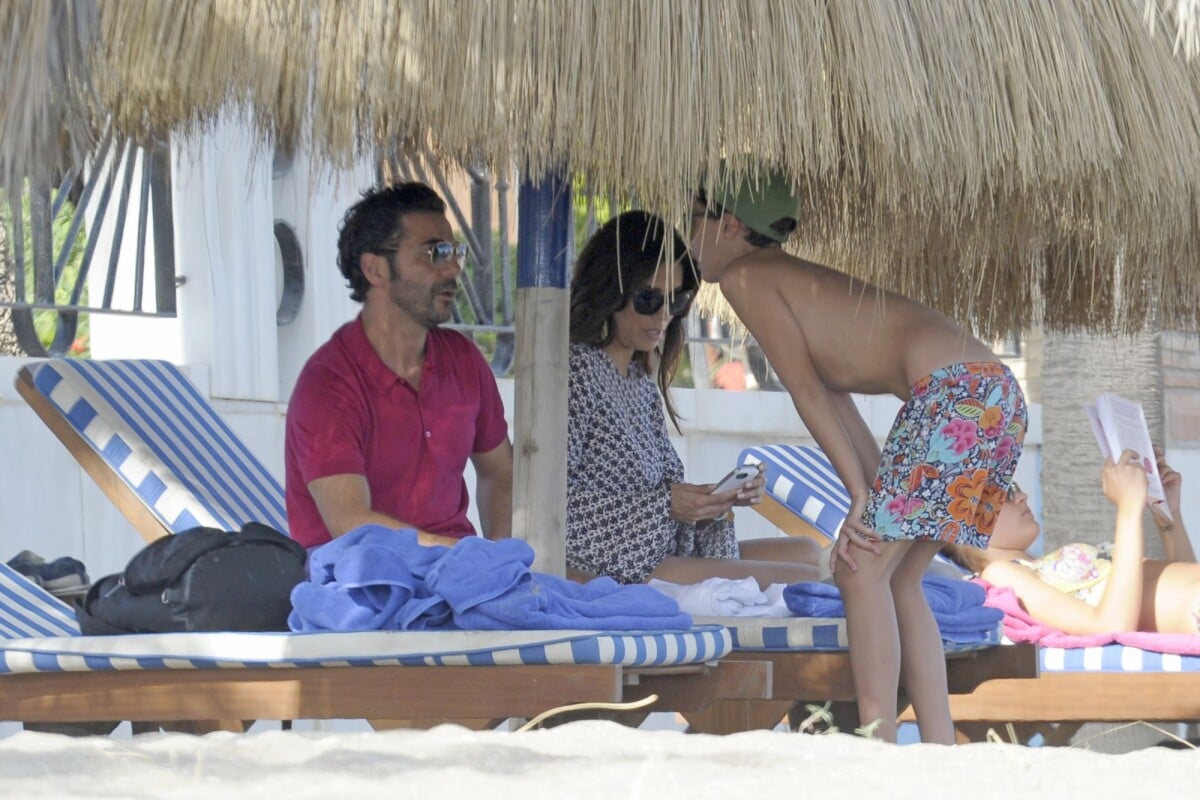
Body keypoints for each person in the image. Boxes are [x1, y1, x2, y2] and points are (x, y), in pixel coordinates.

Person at [688, 169, 1027, 744]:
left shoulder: (746, 277)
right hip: (994, 395)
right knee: (898, 578)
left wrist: (865, 498)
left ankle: (878, 744)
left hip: (956, 398)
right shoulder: (790, 279)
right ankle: (938, 744)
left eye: (692, 220)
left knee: (856, 567)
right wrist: (866, 488)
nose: (686, 236)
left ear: (726, 224)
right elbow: (834, 394)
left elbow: (806, 391)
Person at [566, 210, 822, 589]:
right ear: (610, 291)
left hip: (658, 551)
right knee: (810, 579)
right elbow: (552, 506)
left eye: (678, 299)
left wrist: (712, 502)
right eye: (649, 298)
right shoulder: (574, 371)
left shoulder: (637, 381)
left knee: (808, 551)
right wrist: (668, 505)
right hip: (611, 568)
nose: (665, 315)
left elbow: (664, 499)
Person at [285, 182, 514, 549]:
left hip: (458, 580)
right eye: (433, 253)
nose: (453, 267)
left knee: (608, 605)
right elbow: (351, 523)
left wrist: (501, 559)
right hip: (361, 587)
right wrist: (464, 556)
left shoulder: (464, 361)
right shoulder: (327, 383)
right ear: (375, 269)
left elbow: (499, 470)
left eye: (454, 251)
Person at [944, 450, 1199, 635]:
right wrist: (1128, 508)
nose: (1022, 496)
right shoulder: (1001, 575)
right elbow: (1109, 626)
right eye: (1005, 495)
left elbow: (1173, 581)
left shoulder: (1041, 568)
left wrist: (1169, 516)